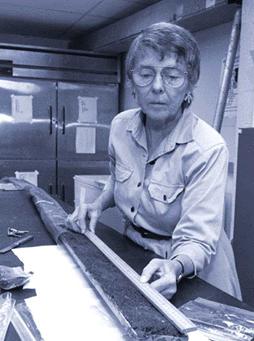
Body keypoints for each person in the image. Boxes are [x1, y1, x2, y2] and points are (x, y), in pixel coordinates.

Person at [66, 22, 241, 300]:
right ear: (133, 83)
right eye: (146, 74)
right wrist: (96, 204)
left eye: (172, 76)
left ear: (190, 85)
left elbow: (197, 239)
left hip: (189, 269)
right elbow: (122, 177)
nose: (157, 87)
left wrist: (173, 267)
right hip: (134, 251)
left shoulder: (208, 148)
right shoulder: (120, 126)